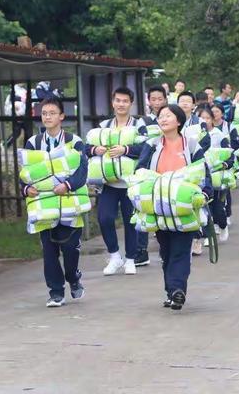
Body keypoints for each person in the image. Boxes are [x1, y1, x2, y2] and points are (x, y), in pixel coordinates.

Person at [137, 105, 213, 310]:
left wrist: (206, 193)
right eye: (160, 116)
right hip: (159, 206)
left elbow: (203, 170)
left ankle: (178, 290)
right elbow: (140, 171)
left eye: (168, 116)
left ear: (179, 121)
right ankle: (171, 291)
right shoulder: (152, 144)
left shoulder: (191, 145)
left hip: (184, 207)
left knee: (180, 249)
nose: (163, 119)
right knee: (167, 251)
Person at [21, 98, 88, 308]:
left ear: (61, 116)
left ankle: (73, 277)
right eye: (44, 113)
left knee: (70, 249)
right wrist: (26, 189)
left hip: (69, 203)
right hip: (44, 206)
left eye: (51, 113)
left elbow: (82, 170)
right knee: (49, 251)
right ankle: (56, 292)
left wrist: (68, 185)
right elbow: (25, 172)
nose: (47, 117)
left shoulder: (74, 141)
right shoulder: (33, 143)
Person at [86, 87, 146, 276]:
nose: (121, 104)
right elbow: (86, 148)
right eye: (118, 100)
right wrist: (95, 150)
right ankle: (114, 256)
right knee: (105, 218)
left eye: (125, 101)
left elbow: (146, 148)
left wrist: (125, 150)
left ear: (131, 103)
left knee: (131, 222)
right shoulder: (104, 125)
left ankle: (130, 259)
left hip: (130, 183)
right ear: (112, 102)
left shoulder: (139, 124)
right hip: (108, 184)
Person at [135, 85, 168, 267]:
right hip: (148, 170)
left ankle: (165, 248)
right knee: (144, 209)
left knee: (164, 210)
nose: (156, 102)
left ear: (165, 99)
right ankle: (141, 251)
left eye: (159, 99)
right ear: (148, 101)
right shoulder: (144, 121)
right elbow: (139, 144)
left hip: (167, 169)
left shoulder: (172, 116)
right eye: (153, 99)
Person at [196, 106, 235, 244]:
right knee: (204, 206)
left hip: (217, 176)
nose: (205, 121)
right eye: (202, 118)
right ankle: (208, 236)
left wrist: (224, 164)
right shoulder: (195, 134)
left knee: (217, 208)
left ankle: (223, 225)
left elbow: (230, 154)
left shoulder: (219, 135)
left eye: (207, 118)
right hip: (201, 174)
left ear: (213, 120)